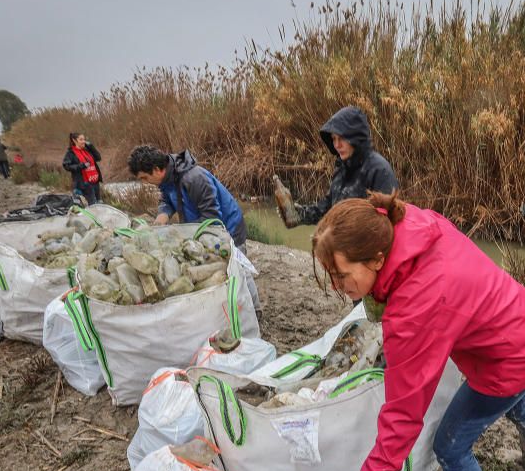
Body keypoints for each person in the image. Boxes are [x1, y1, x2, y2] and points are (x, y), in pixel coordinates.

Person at [314, 192, 525, 471]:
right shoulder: (408, 224)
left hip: (507, 359)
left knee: (451, 445)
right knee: (519, 397)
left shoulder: (416, 306)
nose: (337, 286)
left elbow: (403, 419)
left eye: (343, 275)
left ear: (377, 258)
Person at [128, 144, 260, 315]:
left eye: (145, 178)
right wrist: (163, 215)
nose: (145, 183)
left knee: (238, 269)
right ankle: (227, 309)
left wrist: (184, 234)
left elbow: (212, 216)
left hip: (228, 227)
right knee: (215, 267)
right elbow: (166, 200)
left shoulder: (194, 177)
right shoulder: (167, 177)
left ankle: (254, 311)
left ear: (156, 169)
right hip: (201, 227)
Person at [281, 106, 398, 228]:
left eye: (341, 138)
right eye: (333, 139)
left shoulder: (379, 170)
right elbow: (328, 209)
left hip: (364, 245)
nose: (337, 145)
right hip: (337, 243)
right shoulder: (342, 167)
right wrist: (299, 214)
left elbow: (387, 224)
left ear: (356, 137)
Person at [63, 133, 103, 206]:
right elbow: (66, 166)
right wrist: (81, 166)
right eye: (81, 139)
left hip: (95, 182)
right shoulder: (70, 153)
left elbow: (98, 158)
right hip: (84, 184)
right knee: (93, 205)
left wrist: (91, 146)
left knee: (99, 204)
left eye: (84, 139)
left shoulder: (87, 150)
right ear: (74, 140)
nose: (83, 141)